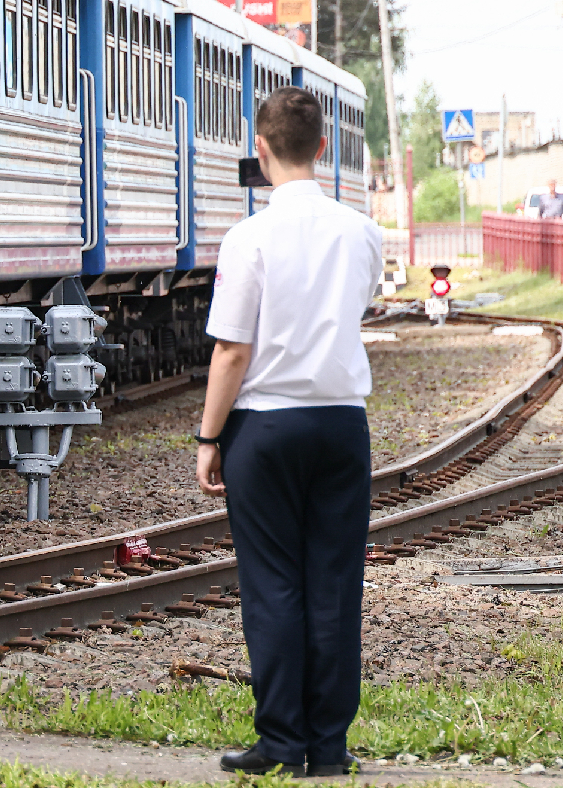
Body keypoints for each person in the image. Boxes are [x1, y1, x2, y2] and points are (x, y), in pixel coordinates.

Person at [196, 86, 384, 777]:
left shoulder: (248, 237)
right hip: (340, 425)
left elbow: (232, 353)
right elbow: (361, 307)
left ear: (263, 150)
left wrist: (209, 438)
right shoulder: (361, 230)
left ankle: (280, 744)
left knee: (273, 585)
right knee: (334, 583)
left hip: (264, 430)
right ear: (325, 150)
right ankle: (328, 749)